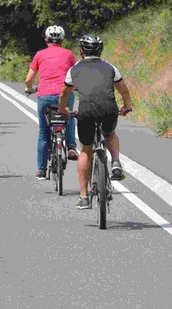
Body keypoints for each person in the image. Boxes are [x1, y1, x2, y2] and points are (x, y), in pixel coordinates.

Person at [58, 34, 133, 209]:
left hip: (86, 112)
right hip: (109, 110)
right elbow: (124, 90)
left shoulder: (74, 70)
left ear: (81, 51)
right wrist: (127, 106)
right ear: (100, 50)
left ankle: (84, 197)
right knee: (110, 133)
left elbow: (64, 94)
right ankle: (115, 161)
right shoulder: (110, 68)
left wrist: (63, 110)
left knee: (85, 149)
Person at [24, 25, 79, 180]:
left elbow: (29, 79)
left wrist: (30, 89)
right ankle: (71, 148)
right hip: (65, 93)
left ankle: (41, 170)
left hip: (45, 96)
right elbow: (75, 74)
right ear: (62, 40)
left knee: (43, 132)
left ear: (46, 40)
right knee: (69, 117)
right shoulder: (68, 54)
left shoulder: (39, 54)